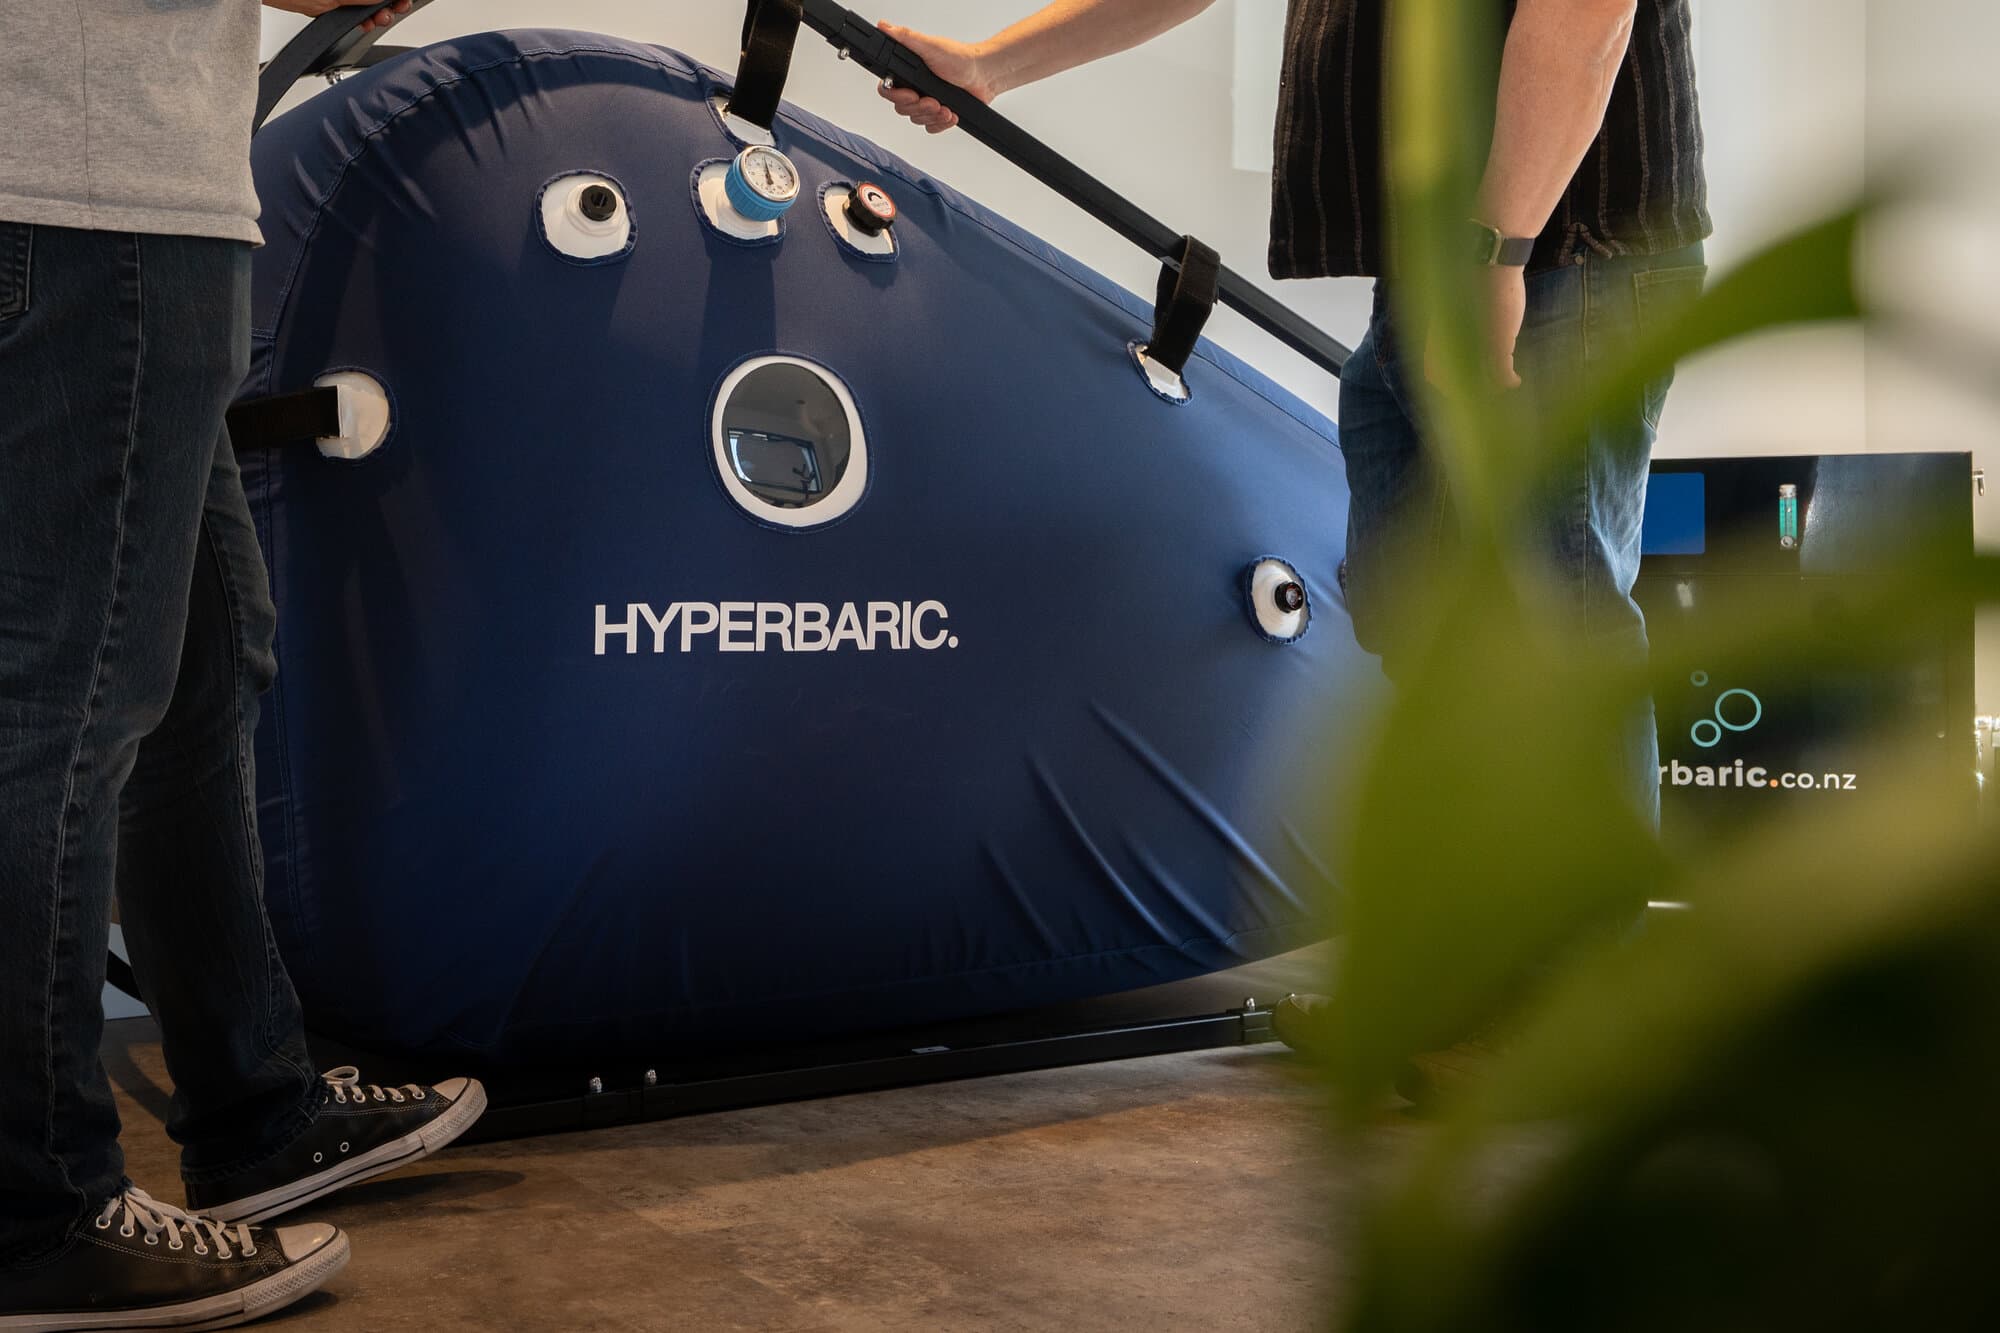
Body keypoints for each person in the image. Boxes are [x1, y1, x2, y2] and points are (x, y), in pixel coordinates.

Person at [878, 0, 1709, 1088]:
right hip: (1441, 256)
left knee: (1548, 624)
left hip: (1559, 251)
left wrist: (1497, 245)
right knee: (1423, 629)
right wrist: (991, 63)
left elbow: (1585, 11)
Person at [0, 3, 492, 1330]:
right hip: (89, 195)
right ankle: (32, 1214)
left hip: (90, 186)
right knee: (64, 697)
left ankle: (251, 1110)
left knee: (205, 652)